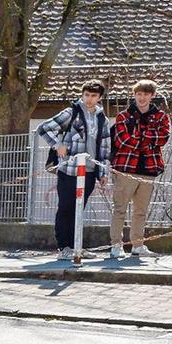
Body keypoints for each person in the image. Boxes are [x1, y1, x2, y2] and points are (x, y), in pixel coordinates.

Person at [39, 80, 111, 260]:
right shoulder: (71, 112)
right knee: (65, 207)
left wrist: (103, 173)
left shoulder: (102, 119)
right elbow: (44, 128)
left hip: (89, 171)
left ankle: (76, 246)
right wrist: (57, 145)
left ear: (100, 97)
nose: (89, 99)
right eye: (86, 94)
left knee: (79, 209)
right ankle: (64, 247)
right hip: (69, 169)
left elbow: (105, 147)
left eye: (93, 96)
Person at [109, 79, 170, 259]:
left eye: (145, 94)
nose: (142, 97)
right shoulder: (123, 116)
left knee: (140, 210)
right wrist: (147, 139)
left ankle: (137, 245)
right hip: (126, 168)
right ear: (134, 95)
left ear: (152, 95)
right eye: (139, 94)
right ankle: (115, 246)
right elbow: (122, 140)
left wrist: (139, 137)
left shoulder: (161, 117)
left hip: (149, 169)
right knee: (120, 208)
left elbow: (163, 137)